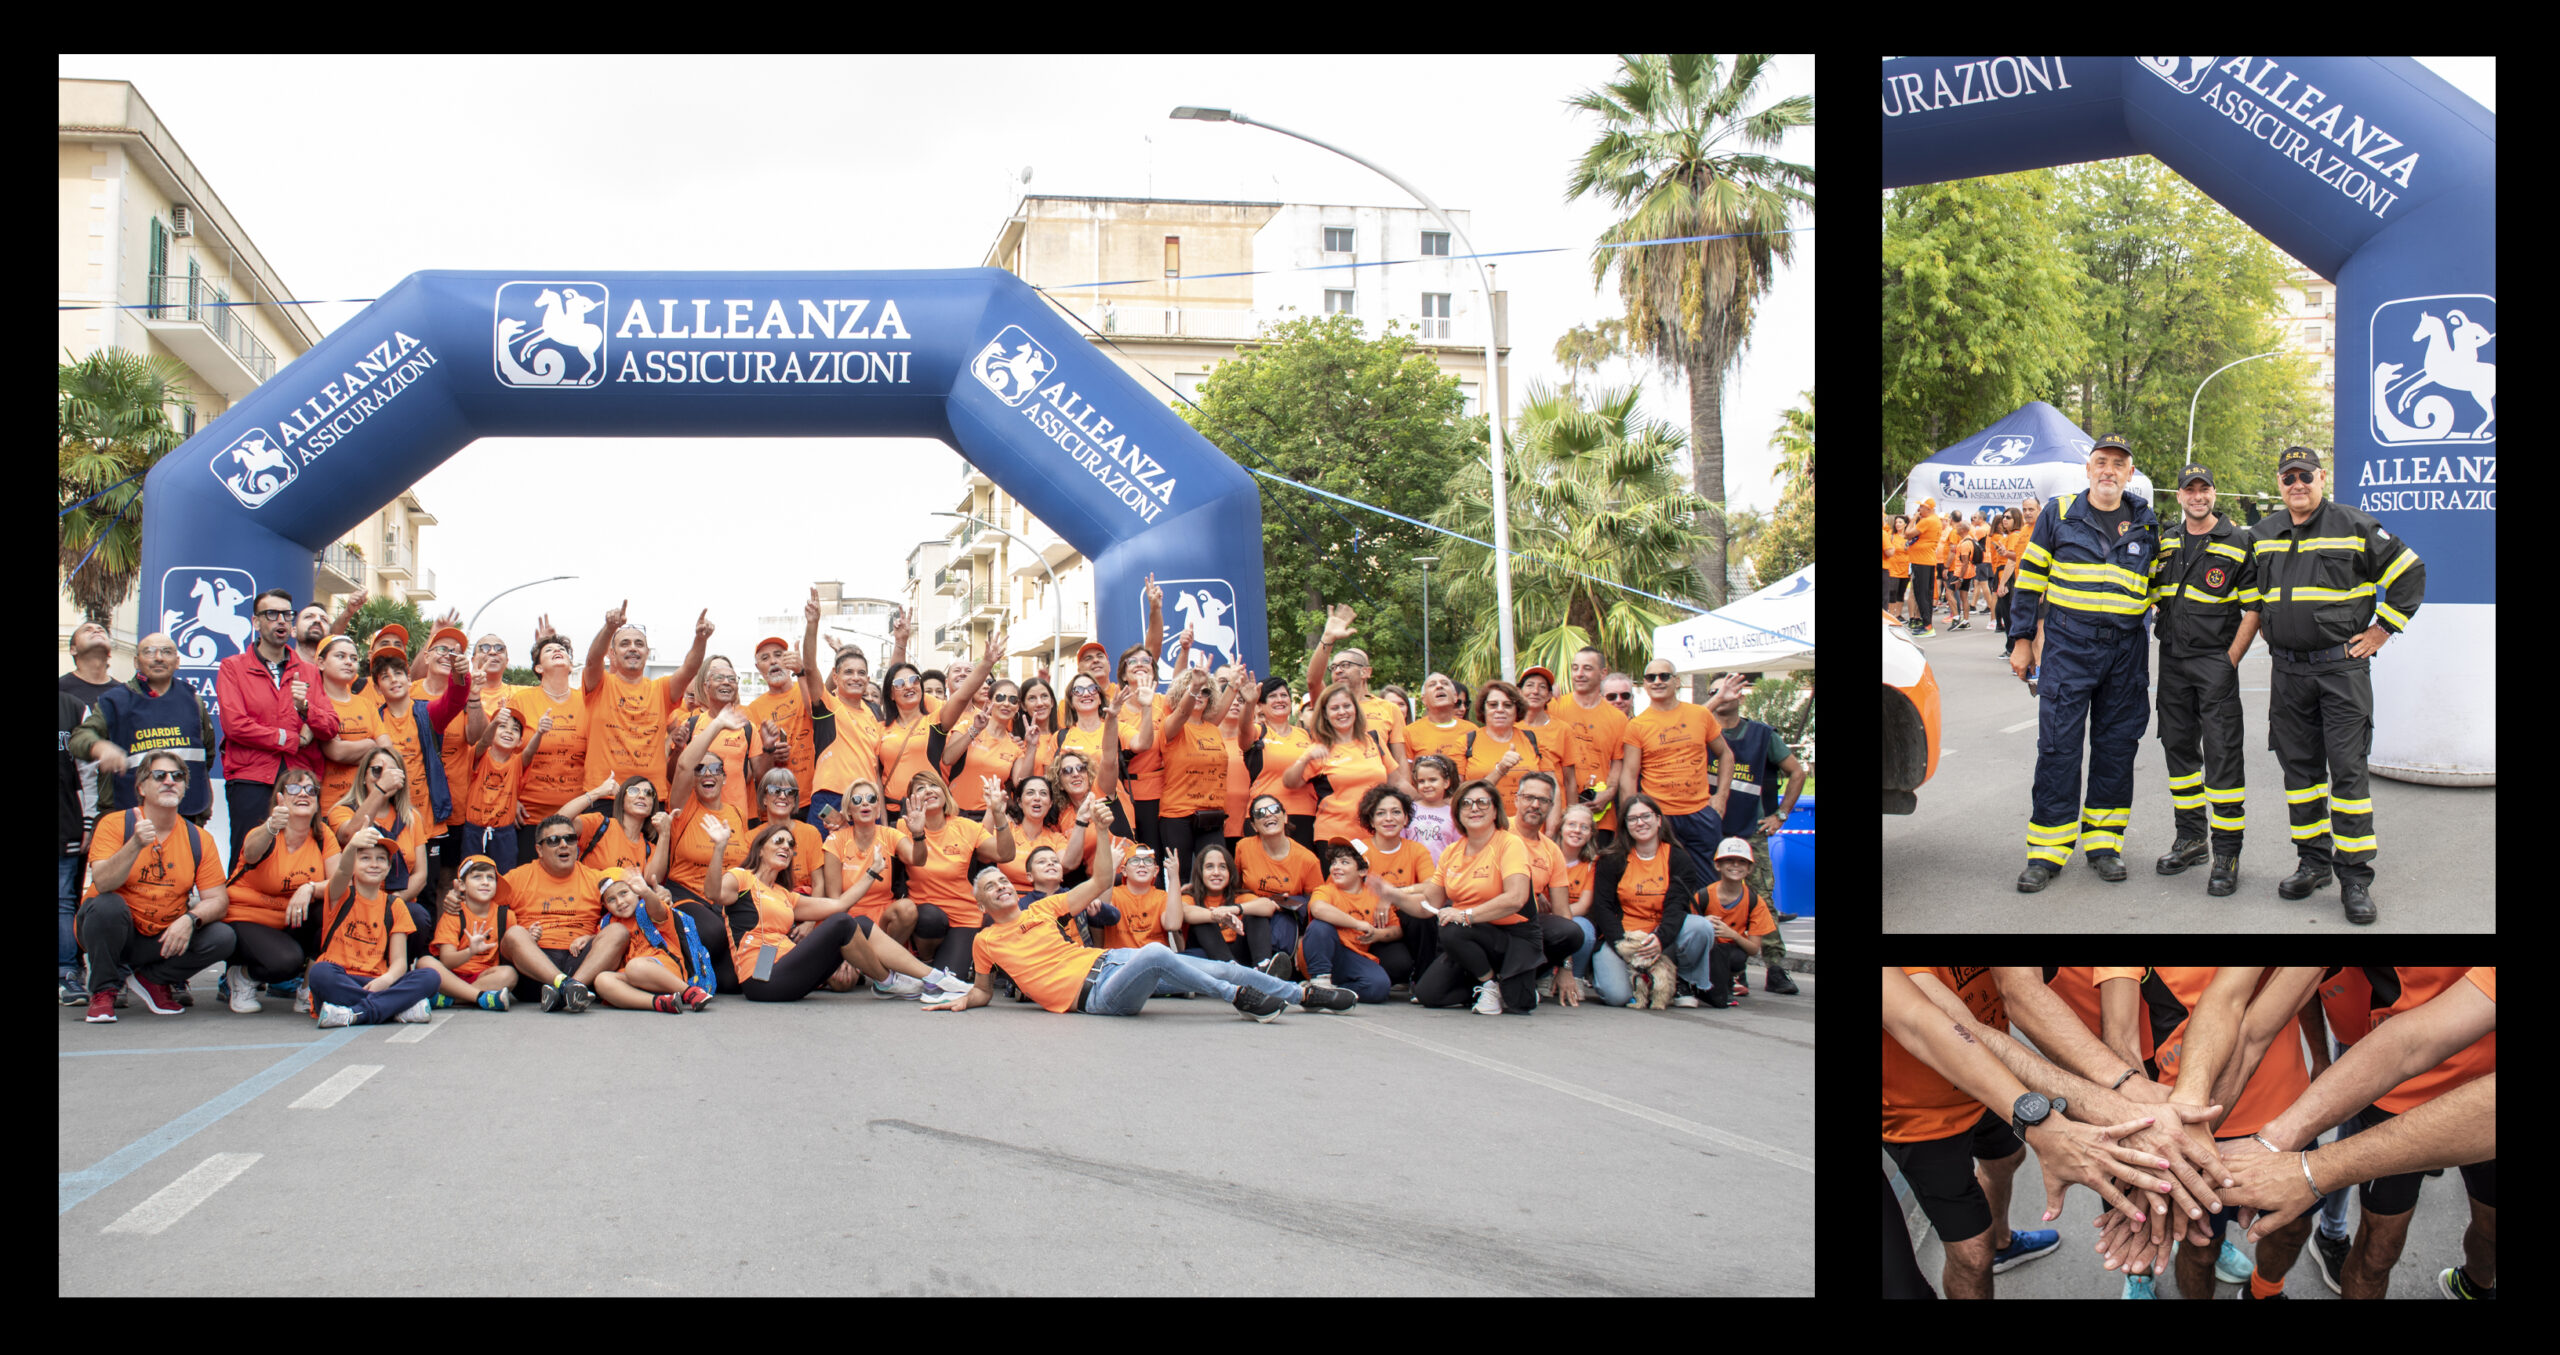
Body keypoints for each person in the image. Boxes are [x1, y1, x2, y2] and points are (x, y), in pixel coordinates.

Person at [1881, 967, 2223, 1299]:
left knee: (2007, 1159)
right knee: (1972, 1255)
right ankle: (1989, 1246)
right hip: (1922, 1116)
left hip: (1992, 1087)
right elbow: (1941, 1025)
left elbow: (2019, 986)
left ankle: (2002, 1242)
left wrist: (2126, 1088)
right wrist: (2059, 1121)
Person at [2212, 966, 2495, 1299]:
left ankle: (2475, 1285)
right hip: (2399, 1091)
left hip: (2479, 1081)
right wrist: (2272, 1141)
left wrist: (2310, 1169)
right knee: (2379, 1251)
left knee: (2492, 1227)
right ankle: (2329, 1235)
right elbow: (2410, 1043)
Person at [2242, 446, 2426, 923]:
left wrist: (2383, 629)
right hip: (2287, 674)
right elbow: (2251, 596)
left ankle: (2355, 878)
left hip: (2339, 673)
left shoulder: (2354, 525)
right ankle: (2313, 862)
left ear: (2321, 477)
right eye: (2288, 477)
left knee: (2347, 776)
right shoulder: (2262, 534)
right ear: (2279, 483)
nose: (2297, 483)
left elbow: (2409, 572)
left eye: (2305, 475)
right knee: (2299, 776)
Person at [924, 834, 1356, 1019]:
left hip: (1110, 961)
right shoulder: (985, 941)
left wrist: (1101, 829)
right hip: (1097, 997)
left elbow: (1096, 882)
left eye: (1003, 880)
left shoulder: (1042, 908)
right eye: (991, 886)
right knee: (1157, 954)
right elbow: (982, 990)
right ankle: (1239, 998)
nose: (1000, 886)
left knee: (1215, 966)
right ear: (979, 900)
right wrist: (963, 1001)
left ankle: (1303, 994)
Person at [2006, 434, 2159, 891]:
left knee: (2116, 750)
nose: (2109, 470)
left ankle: (2104, 844)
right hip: (2069, 648)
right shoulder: (2058, 513)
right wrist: (2021, 639)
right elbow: (2029, 581)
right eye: (2101, 462)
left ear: (2130, 473)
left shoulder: (2145, 522)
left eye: (2118, 463)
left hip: (2126, 652)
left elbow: (2156, 587)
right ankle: (2046, 853)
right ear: (2088, 470)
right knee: (2058, 748)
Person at [2138, 464, 2258, 896]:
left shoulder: (2239, 540)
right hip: (2172, 662)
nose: (2197, 496)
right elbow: (2149, 592)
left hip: (2214, 663)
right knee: (2178, 752)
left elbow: (2254, 607)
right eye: (2189, 489)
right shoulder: (2166, 539)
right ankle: (2191, 839)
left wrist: (2230, 660)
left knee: (2223, 756)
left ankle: (2226, 852)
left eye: (2203, 488)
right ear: (2180, 496)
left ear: (2213, 492)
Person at [712, 820, 967, 1003]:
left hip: (788, 967)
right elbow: (714, 893)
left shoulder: (784, 894)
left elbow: (840, 905)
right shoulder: (741, 878)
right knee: (843, 924)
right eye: (778, 841)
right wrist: (719, 849)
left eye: (791, 844)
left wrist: (872, 872)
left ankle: (933, 977)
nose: (787, 847)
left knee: (860, 923)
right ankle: (889, 981)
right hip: (762, 979)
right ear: (760, 848)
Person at [75, 749, 238, 1022]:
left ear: (185, 788)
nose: (169, 781)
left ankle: (152, 981)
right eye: (159, 775)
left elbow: (218, 900)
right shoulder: (114, 824)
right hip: (113, 932)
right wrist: (135, 844)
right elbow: (102, 883)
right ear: (141, 787)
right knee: (107, 906)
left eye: (177, 777)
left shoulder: (199, 838)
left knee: (222, 937)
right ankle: (104, 990)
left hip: (161, 937)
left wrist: (190, 919)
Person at [1366, 779, 1540, 1015]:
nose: (1474, 808)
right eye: (1466, 803)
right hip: (1471, 936)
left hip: (1512, 935)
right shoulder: (1452, 852)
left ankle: (1506, 984)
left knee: (1519, 1001)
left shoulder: (1510, 843)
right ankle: (1490, 984)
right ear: (1457, 812)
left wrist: (1466, 915)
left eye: (1482, 802)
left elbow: (1515, 899)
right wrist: (1392, 894)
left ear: (1495, 810)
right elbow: (1427, 907)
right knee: (1429, 994)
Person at [215, 587, 342, 867]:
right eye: (272, 614)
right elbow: (235, 725)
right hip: (251, 776)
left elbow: (331, 725)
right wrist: (290, 738)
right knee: (248, 854)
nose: (281, 620)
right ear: (256, 622)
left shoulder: (308, 671)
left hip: (300, 777)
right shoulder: (232, 667)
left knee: (300, 857)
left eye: (287, 614)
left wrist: (307, 712)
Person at [1701, 670, 1808, 961]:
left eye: (1726, 690)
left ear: (1740, 695)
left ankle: (1776, 966)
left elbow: (1797, 772)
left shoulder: (1762, 735)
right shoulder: (1698, 732)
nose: (1720, 696)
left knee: (1761, 900)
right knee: (1707, 899)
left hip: (1751, 832)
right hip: (1708, 831)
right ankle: (1729, 969)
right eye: (1713, 692)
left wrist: (1781, 815)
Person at [222, 765, 339, 1013]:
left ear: (317, 802)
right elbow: (251, 854)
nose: (303, 794)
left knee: (333, 907)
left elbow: (340, 883)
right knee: (286, 962)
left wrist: (309, 887)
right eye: (294, 788)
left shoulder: (322, 836)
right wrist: (270, 827)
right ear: (280, 798)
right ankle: (242, 976)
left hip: (289, 918)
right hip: (247, 917)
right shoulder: (265, 832)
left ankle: (308, 989)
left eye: (310, 789)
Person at [70, 632, 217, 826]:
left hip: (186, 818)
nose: (158, 657)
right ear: (136, 662)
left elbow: (207, 755)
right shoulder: (116, 701)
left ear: (177, 661)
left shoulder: (194, 702)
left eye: (166, 652)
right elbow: (79, 738)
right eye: (149, 652)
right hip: (128, 819)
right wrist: (99, 747)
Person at [306, 826, 440, 1027]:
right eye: (365, 858)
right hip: (342, 980)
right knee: (319, 973)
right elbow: (341, 871)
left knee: (430, 977)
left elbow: (399, 963)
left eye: (380, 859)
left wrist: (385, 981)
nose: (374, 864)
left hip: (378, 982)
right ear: (353, 863)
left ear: (388, 868)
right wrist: (352, 846)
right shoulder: (340, 895)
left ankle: (354, 1014)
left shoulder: (395, 905)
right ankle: (393, 1008)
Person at [495, 814, 629, 1012]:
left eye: (570, 838)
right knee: (514, 934)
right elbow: (480, 901)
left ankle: (571, 988)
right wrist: (455, 898)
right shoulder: (518, 877)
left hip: (582, 962)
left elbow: (631, 895)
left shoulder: (596, 878)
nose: (563, 845)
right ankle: (567, 986)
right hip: (535, 967)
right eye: (553, 841)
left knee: (618, 931)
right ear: (539, 850)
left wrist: (659, 893)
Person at [659, 714, 754, 987]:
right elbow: (684, 765)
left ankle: (701, 967)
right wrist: (718, 725)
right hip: (687, 894)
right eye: (701, 770)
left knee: (732, 982)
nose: (708, 774)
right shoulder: (683, 807)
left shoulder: (736, 813)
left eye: (715, 770)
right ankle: (677, 964)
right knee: (713, 933)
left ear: (725, 778)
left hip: (724, 901)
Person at [582, 602, 711, 801]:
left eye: (639, 644)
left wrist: (700, 640)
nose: (633, 648)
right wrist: (609, 629)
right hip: (604, 793)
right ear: (613, 655)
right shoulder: (600, 684)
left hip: (650, 795)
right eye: (624, 644)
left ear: (647, 653)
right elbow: (592, 660)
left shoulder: (660, 689)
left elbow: (689, 669)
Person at [1583, 793, 1700, 1008]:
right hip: (1623, 937)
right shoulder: (1611, 859)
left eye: (1646, 816)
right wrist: (1622, 944)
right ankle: (1620, 976)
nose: (1640, 823)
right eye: (1633, 819)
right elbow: (1603, 907)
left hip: (1663, 937)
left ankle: (1685, 982)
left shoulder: (1679, 858)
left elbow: (1677, 906)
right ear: (1625, 825)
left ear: (1658, 819)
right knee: (1617, 996)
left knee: (1701, 928)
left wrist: (1660, 939)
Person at [897, 769, 1017, 977]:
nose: (928, 791)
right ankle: (925, 958)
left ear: (944, 792)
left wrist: (998, 813)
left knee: (950, 979)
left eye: (934, 785)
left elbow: (1004, 854)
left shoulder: (967, 827)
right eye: (920, 788)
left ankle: (941, 964)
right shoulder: (903, 827)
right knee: (931, 918)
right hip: (925, 916)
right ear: (911, 800)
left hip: (963, 916)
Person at [1622, 658, 1736, 872]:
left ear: (1677, 682)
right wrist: (1632, 817)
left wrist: (1721, 796)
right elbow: (1629, 775)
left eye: (1664, 676)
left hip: (1700, 812)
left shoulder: (1700, 714)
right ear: (1645, 684)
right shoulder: (1636, 726)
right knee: (1663, 879)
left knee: (1708, 882)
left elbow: (1726, 755)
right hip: (1659, 816)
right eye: (1650, 677)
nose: (1657, 681)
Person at [1285, 682, 1407, 846]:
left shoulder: (1372, 740)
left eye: (1346, 706)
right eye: (1335, 708)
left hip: (1375, 835)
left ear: (1355, 709)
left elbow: (1397, 782)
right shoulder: (1320, 749)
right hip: (1335, 836)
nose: (1342, 712)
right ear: (1326, 714)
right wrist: (1305, 759)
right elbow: (1290, 782)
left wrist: (1430, 802)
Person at [1153, 655, 1238, 883]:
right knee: (1178, 878)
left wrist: (1233, 685)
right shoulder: (1172, 724)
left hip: (1211, 816)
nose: (1200, 696)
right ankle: (1177, 919)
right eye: (1193, 692)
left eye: (1205, 692)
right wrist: (1194, 687)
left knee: (1215, 874)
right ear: (1180, 694)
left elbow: (1220, 709)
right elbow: (1182, 713)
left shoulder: (1213, 728)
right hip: (1177, 815)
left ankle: (1211, 918)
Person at [587, 869, 715, 1013]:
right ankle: (661, 1003)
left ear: (635, 891)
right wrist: (587, 938)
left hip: (665, 971)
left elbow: (658, 910)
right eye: (611, 899)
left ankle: (690, 992)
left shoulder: (645, 907)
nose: (620, 902)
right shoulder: (608, 922)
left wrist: (647, 892)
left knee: (635, 967)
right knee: (602, 980)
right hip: (635, 978)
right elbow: (601, 942)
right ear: (605, 905)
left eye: (624, 893)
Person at [454, 676, 547, 873]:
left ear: (520, 740)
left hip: (504, 834)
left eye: (515, 730)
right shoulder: (479, 756)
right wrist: (495, 722)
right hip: (474, 831)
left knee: (504, 878)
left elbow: (529, 753)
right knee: (471, 876)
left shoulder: (516, 763)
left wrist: (539, 733)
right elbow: (482, 743)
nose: (508, 732)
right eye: (503, 727)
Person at [1509, 772, 1587, 1007]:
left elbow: (1563, 911)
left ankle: (1521, 977)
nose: (1535, 805)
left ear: (1551, 806)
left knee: (1572, 931)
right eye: (1529, 797)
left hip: (1527, 926)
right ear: (1516, 799)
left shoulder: (1552, 851)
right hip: (1492, 919)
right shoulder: (1498, 830)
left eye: (1543, 800)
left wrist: (1565, 967)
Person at [745, 591, 826, 816]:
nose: (773, 661)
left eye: (778, 655)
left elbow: (821, 713)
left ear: (788, 658)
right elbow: (757, 769)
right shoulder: (752, 710)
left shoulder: (807, 688)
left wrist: (812, 625)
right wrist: (771, 754)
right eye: (765, 658)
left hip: (814, 797)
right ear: (758, 668)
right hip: (776, 801)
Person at [1302, 604, 1409, 766]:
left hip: (1378, 783)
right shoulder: (1328, 703)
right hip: (1338, 780)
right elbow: (1313, 681)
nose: (1338, 671)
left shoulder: (1389, 709)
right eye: (1334, 667)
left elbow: (1400, 759)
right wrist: (1328, 637)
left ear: (1365, 672)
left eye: (1345, 665)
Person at [1542, 646, 1629, 844]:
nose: (1579, 674)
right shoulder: (1553, 707)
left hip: (1599, 814)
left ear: (1603, 673)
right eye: (1575, 668)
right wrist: (1548, 687)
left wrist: (1610, 792)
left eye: (1587, 668)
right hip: (1558, 811)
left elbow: (1617, 761)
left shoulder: (1617, 718)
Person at [506, 632, 594, 826]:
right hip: (527, 815)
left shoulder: (588, 703)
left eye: (562, 649)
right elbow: (503, 754)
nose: (557, 650)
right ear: (538, 667)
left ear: (571, 666)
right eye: (549, 650)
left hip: (577, 816)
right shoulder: (520, 700)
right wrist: (509, 799)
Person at [1681, 838, 1779, 1008]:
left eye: (1742, 862)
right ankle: (1687, 982)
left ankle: (1726, 981)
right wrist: (1702, 923)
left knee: (1736, 957)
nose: (1736, 866)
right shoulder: (1703, 896)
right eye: (1729, 861)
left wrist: (1732, 934)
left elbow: (1754, 949)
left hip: (1730, 955)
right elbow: (1684, 932)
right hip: (1702, 952)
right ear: (1718, 865)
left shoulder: (1755, 901)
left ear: (1749, 869)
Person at [820, 778, 913, 951]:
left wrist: (919, 834)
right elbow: (834, 903)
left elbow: (917, 859)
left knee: (907, 908)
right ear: (848, 810)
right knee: (843, 979)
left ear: (878, 808)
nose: (865, 803)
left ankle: (886, 961)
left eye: (871, 799)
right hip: (848, 916)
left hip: (882, 915)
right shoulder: (835, 840)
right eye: (857, 800)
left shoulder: (890, 835)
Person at [1302, 840, 1399, 1004]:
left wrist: (1378, 934)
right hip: (1324, 952)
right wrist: (1357, 924)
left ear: (1362, 870)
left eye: (1344, 862)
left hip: (1354, 955)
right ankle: (1319, 981)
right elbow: (1318, 909)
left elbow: (1396, 929)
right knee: (1320, 926)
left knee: (1379, 987)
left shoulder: (1374, 896)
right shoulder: (1326, 890)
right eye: (1334, 862)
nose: (1336, 867)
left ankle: (1326, 992)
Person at [419, 855, 522, 1009]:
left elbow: (511, 951)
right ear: (461, 885)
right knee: (424, 963)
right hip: (452, 976)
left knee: (509, 974)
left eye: (490, 877)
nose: (485, 882)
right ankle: (479, 997)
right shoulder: (453, 914)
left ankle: (452, 1000)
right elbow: (446, 960)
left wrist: (531, 936)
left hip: (485, 976)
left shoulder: (506, 915)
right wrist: (470, 951)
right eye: (477, 877)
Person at [1459, 679, 1563, 823]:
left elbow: (1553, 789)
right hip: (1482, 829)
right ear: (1483, 709)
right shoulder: (1466, 742)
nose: (1500, 709)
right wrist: (1500, 769)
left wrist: (1550, 832)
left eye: (1507, 705)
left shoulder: (1533, 741)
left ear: (1517, 710)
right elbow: (1458, 795)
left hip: (1529, 831)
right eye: (1493, 705)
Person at [1242, 677, 1317, 849]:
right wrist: (1249, 704)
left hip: (1304, 814)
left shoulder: (1308, 735)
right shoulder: (1258, 732)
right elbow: (1243, 732)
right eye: (1273, 696)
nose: (1280, 700)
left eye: (1284, 695)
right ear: (1260, 705)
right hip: (1265, 815)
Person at [58, 684, 94, 1005]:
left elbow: (88, 771)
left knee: (63, 900)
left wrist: (89, 820)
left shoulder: (72, 707)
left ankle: (68, 972)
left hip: (65, 820)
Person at [1401, 672, 1476, 778]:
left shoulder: (1472, 731)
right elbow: (1406, 777)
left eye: (1445, 683)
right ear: (1424, 700)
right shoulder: (1409, 732)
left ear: (1455, 697)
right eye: (1432, 685)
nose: (1439, 686)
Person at [1902, 497, 1943, 635]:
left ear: (1929, 509)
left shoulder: (1927, 521)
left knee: (1922, 594)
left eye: (1921, 507)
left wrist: (1913, 519)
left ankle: (1927, 626)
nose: (1919, 510)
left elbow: (1907, 534)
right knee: (1925, 593)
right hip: (1926, 559)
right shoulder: (1935, 520)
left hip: (1922, 560)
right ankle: (1927, 624)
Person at [61, 619, 120, 708]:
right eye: (88, 630)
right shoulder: (61, 689)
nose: (96, 631)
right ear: (73, 650)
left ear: (109, 652)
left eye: (101, 631)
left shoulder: (125, 694)